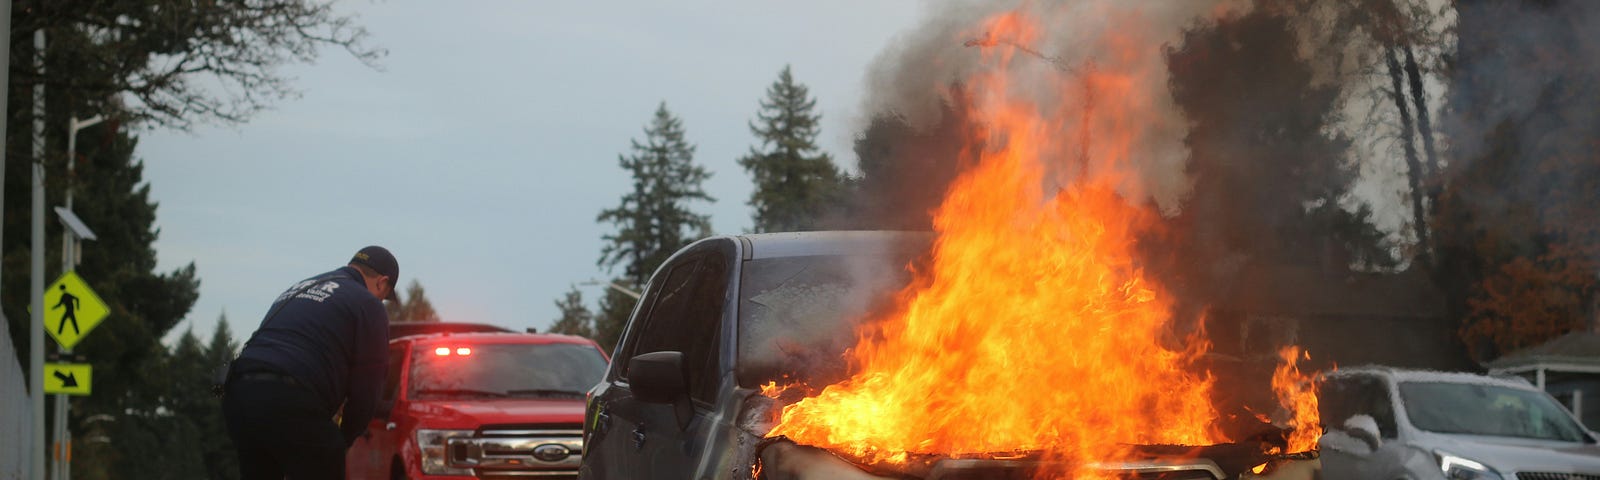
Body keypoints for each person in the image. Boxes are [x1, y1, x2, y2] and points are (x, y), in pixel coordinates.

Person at [223, 246, 397, 479]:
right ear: (382, 282)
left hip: (238, 394)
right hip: (288, 396)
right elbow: (368, 386)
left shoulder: (300, 287)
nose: (381, 301)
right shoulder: (369, 303)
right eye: (385, 296)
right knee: (325, 460)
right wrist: (344, 438)